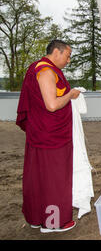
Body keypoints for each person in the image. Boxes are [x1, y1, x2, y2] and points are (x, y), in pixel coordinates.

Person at [16, 39, 81, 233]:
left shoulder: (38, 69)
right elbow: (51, 105)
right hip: (51, 135)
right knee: (55, 179)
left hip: (41, 132)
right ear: (57, 52)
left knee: (39, 178)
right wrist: (70, 94)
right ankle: (54, 223)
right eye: (68, 56)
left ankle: (37, 218)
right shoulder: (46, 71)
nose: (68, 60)